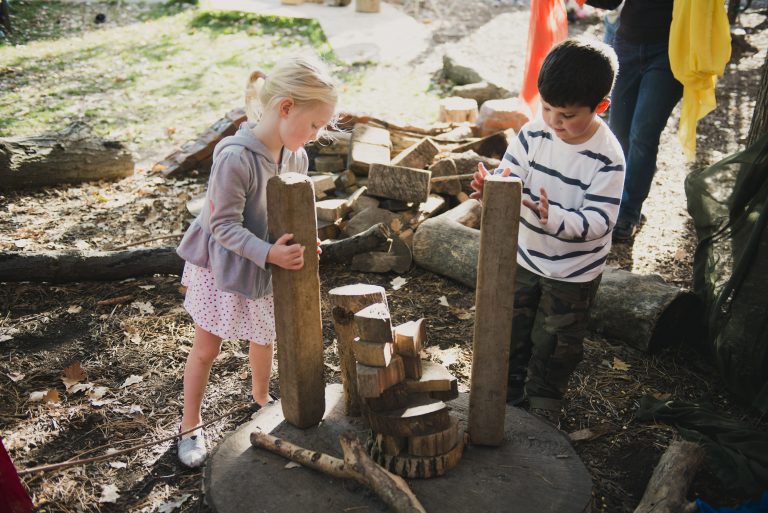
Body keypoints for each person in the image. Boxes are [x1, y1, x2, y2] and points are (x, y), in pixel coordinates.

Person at [175, 55, 337, 468]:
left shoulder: (295, 157)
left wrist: (305, 241)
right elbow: (223, 226)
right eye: (315, 124)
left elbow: (291, 211)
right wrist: (269, 252)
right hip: (223, 264)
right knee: (206, 348)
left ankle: (263, 400)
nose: (317, 135)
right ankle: (189, 425)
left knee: (264, 336)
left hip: (266, 262)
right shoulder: (235, 158)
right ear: (285, 108)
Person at [470, 37, 625, 427]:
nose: (555, 121)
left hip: (573, 272)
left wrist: (552, 216)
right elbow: (512, 170)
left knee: (555, 341)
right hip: (525, 254)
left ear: (600, 107)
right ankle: (507, 391)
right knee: (515, 327)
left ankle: (544, 400)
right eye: (547, 108)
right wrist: (494, 186)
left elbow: (599, 222)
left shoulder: (608, 158)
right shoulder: (535, 132)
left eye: (568, 114)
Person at [586, 0, 681, 240]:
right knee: (619, 133)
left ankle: (629, 211)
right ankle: (612, 200)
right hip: (627, 46)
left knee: (643, 134)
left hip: (670, 51)